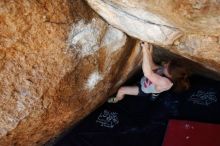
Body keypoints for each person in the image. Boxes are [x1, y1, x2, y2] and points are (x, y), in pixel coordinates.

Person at [108, 42, 190, 103]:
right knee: (151, 86)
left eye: (167, 66)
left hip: (143, 89)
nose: (165, 64)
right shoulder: (166, 72)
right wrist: (149, 52)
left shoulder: (165, 83)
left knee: (122, 90)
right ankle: (155, 93)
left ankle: (117, 99)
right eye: (168, 63)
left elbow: (148, 73)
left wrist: (144, 51)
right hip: (145, 81)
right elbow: (152, 66)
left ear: (171, 75)